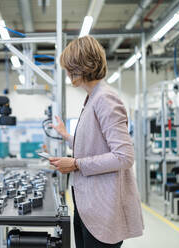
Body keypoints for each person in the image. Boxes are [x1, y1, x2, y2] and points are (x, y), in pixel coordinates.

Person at [49, 36, 144, 248]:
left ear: (79, 67)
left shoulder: (105, 99)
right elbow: (96, 143)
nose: (66, 73)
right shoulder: (93, 98)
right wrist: (66, 135)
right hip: (87, 206)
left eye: (68, 67)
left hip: (102, 209)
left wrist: (75, 164)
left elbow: (124, 156)